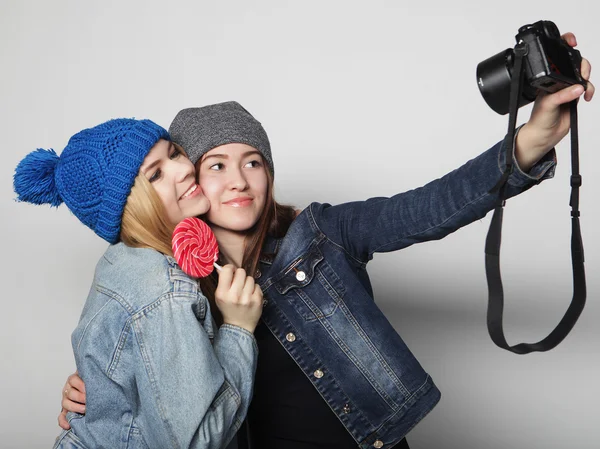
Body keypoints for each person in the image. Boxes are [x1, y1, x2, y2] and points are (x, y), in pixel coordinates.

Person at [59, 33, 594, 449]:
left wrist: (531, 141)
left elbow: (428, 207)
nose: (239, 181)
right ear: (191, 181)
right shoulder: (176, 286)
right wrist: (98, 395)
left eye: (253, 162)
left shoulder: (322, 234)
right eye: (216, 165)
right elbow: (160, 386)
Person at [14, 118, 263, 449]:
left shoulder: (121, 260)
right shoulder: (164, 288)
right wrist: (238, 329)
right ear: (128, 208)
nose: (184, 170)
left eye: (174, 153)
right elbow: (197, 442)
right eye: (156, 174)